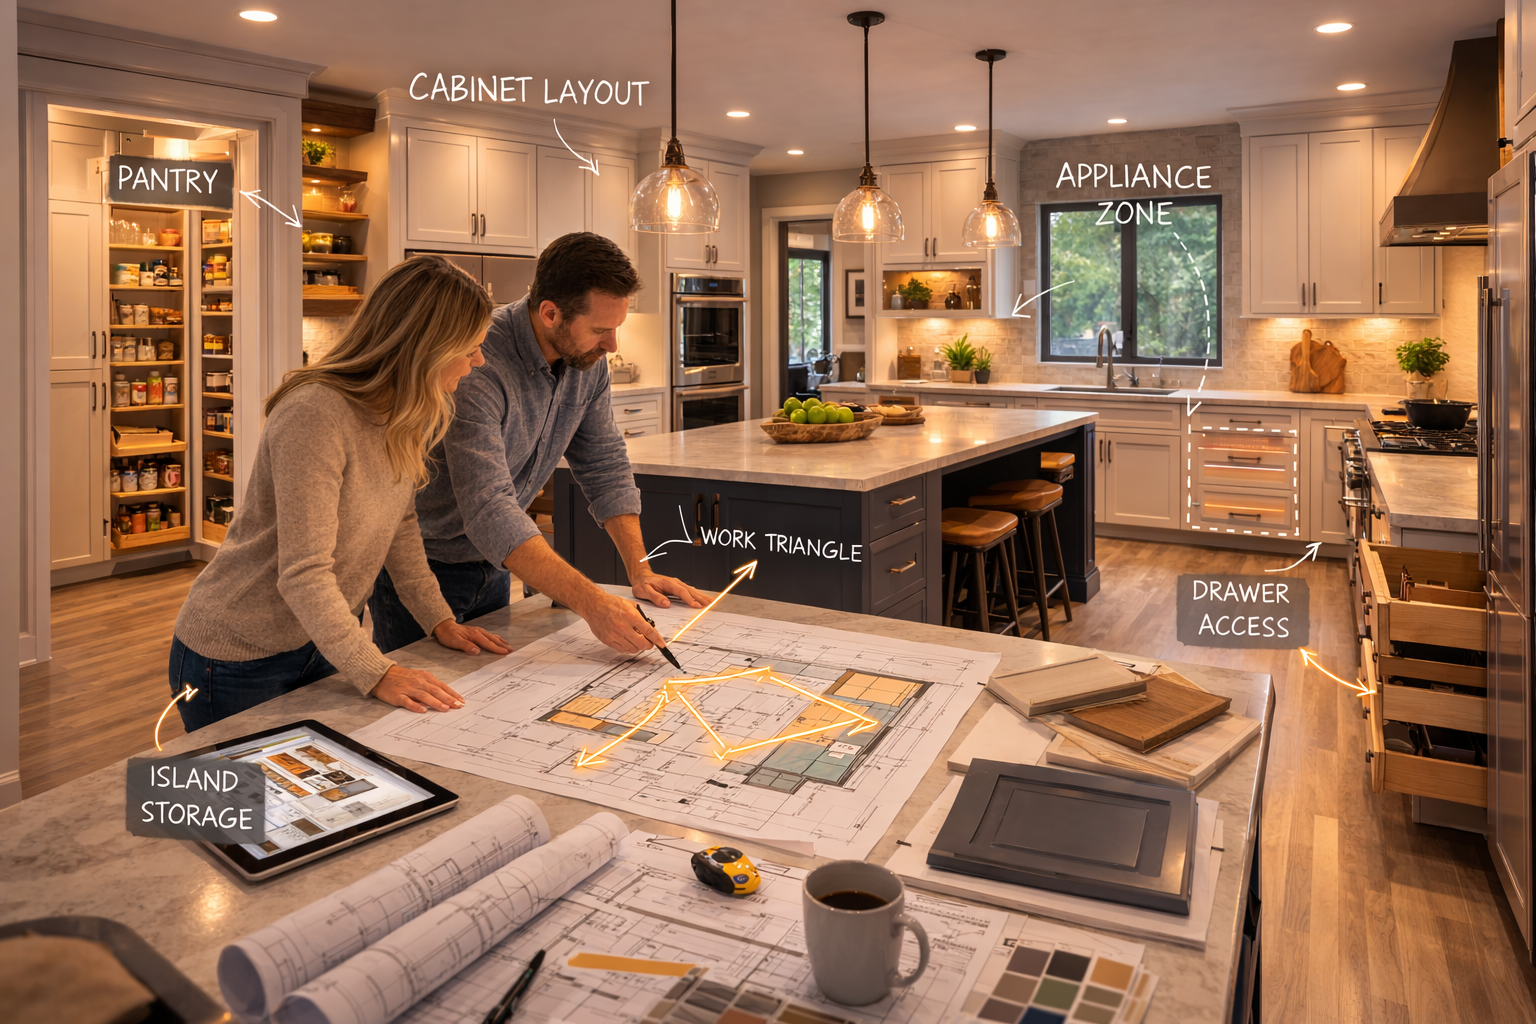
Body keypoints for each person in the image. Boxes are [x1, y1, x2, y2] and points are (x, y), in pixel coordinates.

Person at [168, 255, 512, 730]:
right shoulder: (316, 414)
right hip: (236, 655)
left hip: (320, 640)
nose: (480, 361)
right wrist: (378, 670)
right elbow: (303, 574)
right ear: (426, 347)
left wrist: (439, 620)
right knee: (248, 803)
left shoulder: (402, 413)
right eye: (471, 348)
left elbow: (401, 528)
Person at [369, 232, 704, 657]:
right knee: (418, 710)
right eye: (601, 329)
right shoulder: (475, 362)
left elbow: (604, 464)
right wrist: (594, 604)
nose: (612, 345)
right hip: (422, 573)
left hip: (497, 566)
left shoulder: (588, 361)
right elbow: (490, 508)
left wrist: (640, 570)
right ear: (550, 313)